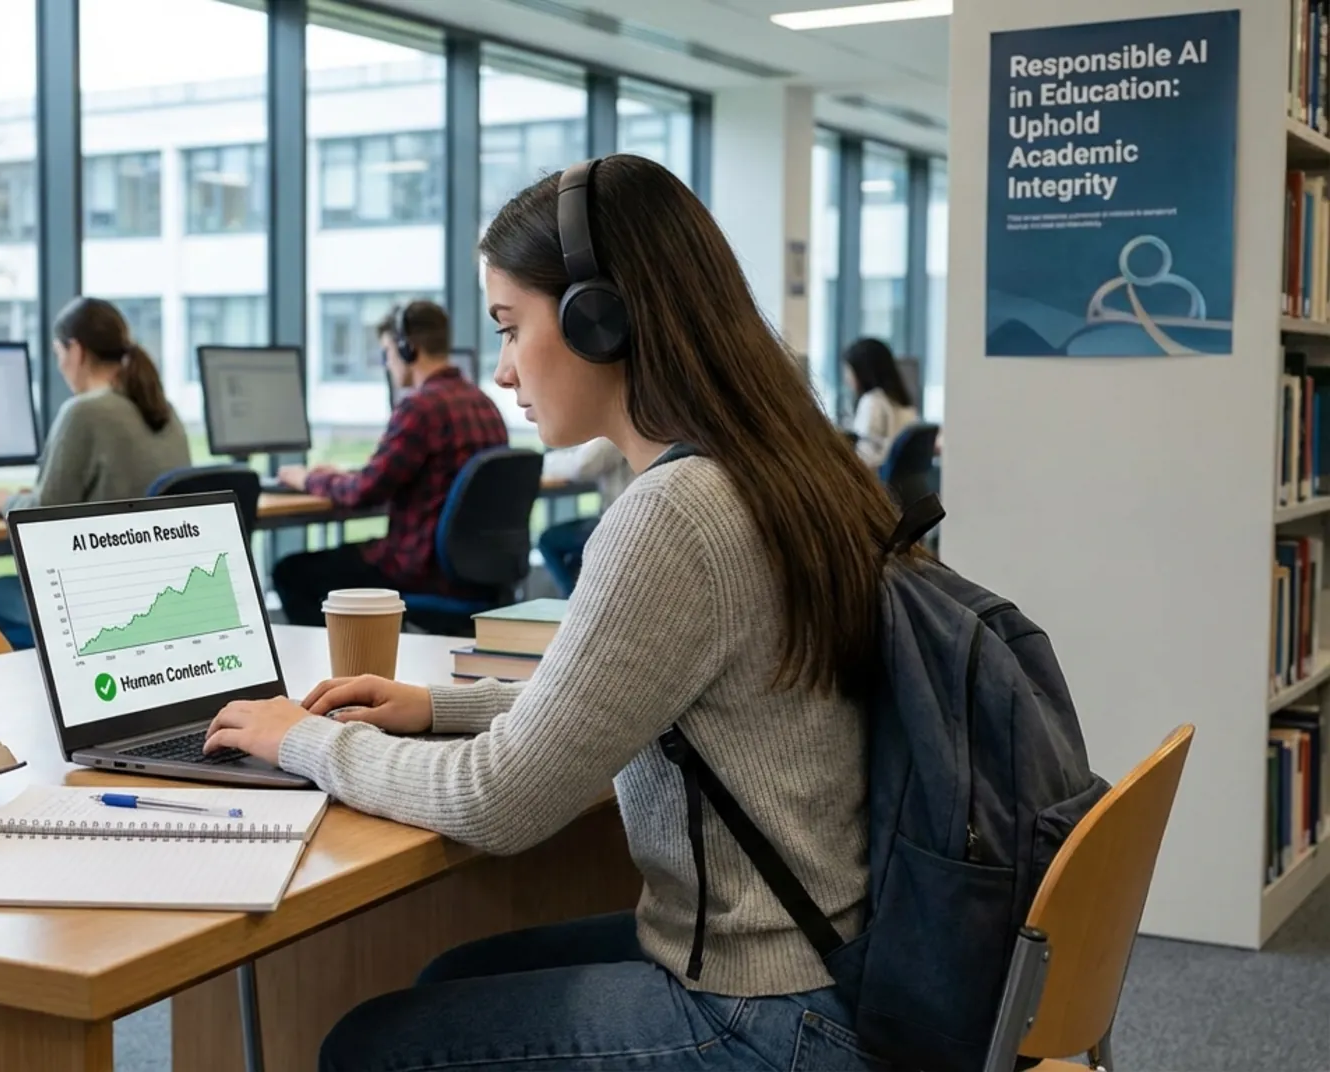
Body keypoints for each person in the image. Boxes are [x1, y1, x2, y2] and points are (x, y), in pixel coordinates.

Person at [203, 154, 899, 1072]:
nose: (498, 371)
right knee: (451, 974)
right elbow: (639, 702)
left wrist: (299, 738)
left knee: (369, 1047)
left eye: (509, 326)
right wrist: (437, 708)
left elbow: (498, 803)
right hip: (848, 966)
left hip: (767, 1012)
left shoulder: (675, 515)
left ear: (597, 320)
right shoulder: (791, 468)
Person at [271, 300, 507, 629]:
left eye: (387, 351)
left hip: (419, 569)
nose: (387, 362)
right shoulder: (485, 404)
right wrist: (345, 475)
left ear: (407, 349)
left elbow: (363, 493)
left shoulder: (420, 407)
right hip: (477, 573)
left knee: (291, 572)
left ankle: (342, 671)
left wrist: (305, 479)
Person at [0, 296, 190, 647]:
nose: (60, 365)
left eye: (58, 354)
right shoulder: (163, 410)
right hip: (159, 595)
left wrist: (5, 501)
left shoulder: (84, 412)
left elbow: (41, 517)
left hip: (101, 605)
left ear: (75, 350)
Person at [535, 437, 632, 596]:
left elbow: (581, 467)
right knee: (576, 557)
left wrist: (541, 464)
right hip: (621, 519)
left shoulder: (615, 435)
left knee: (548, 540)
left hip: (619, 524)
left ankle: (572, 601)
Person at [842, 337, 919, 471]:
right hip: (901, 486)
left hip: (876, 483)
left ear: (862, 371)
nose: (846, 377)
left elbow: (864, 457)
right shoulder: (902, 403)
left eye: (848, 370)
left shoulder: (872, 402)